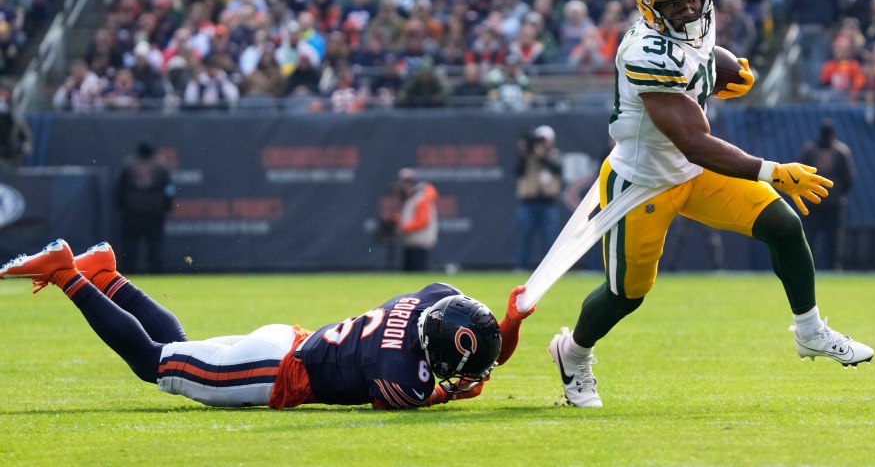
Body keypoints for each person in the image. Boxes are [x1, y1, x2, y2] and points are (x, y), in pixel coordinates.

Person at [548, 0, 874, 409]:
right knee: (626, 295)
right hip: (645, 182)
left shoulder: (695, 17)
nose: (688, 10)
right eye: (674, 5)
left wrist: (725, 66)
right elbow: (693, 141)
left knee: (783, 225)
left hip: (693, 172)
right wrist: (772, 171)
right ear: (649, 8)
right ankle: (573, 354)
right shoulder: (644, 51)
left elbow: (700, 52)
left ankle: (810, 331)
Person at [0, 239, 534, 409]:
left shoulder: (434, 298)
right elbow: (439, 387)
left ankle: (107, 276)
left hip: (287, 341)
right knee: (154, 364)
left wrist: (507, 322)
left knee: (181, 349)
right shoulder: (401, 374)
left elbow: (478, 341)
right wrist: (458, 393)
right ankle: (68, 273)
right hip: (277, 372)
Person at [799, 119, 856, 271]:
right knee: (821, 237)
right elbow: (848, 178)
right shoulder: (839, 151)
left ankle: (824, 266)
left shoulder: (812, 150)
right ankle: (823, 266)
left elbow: (847, 178)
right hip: (823, 202)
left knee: (828, 237)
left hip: (822, 202)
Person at [115, 141, 175, 273]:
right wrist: (168, 206)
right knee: (155, 245)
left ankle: (128, 273)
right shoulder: (161, 166)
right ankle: (156, 272)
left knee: (130, 246)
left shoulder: (128, 165)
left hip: (132, 211)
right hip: (154, 211)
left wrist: (121, 206)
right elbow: (169, 189)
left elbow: (119, 189)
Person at [514, 125, 563, 272]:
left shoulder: (554, 154)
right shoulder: (527, 156)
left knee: (549, 238)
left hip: (548, 203)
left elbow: (556, 169)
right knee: (524, 237)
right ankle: (520, 267)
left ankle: (550, 269)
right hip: (528, 203)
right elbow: (518, 171)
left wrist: (541, 155)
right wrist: (526, 151)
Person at [395, 168, 439, 272]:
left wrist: (403, 227)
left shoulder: (421, 198)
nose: (403, 185)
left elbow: (423, 221)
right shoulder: (410, 198)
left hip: (420, 243)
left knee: (418, 277)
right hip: (410, 243)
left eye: (406, 182)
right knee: (408, 278)